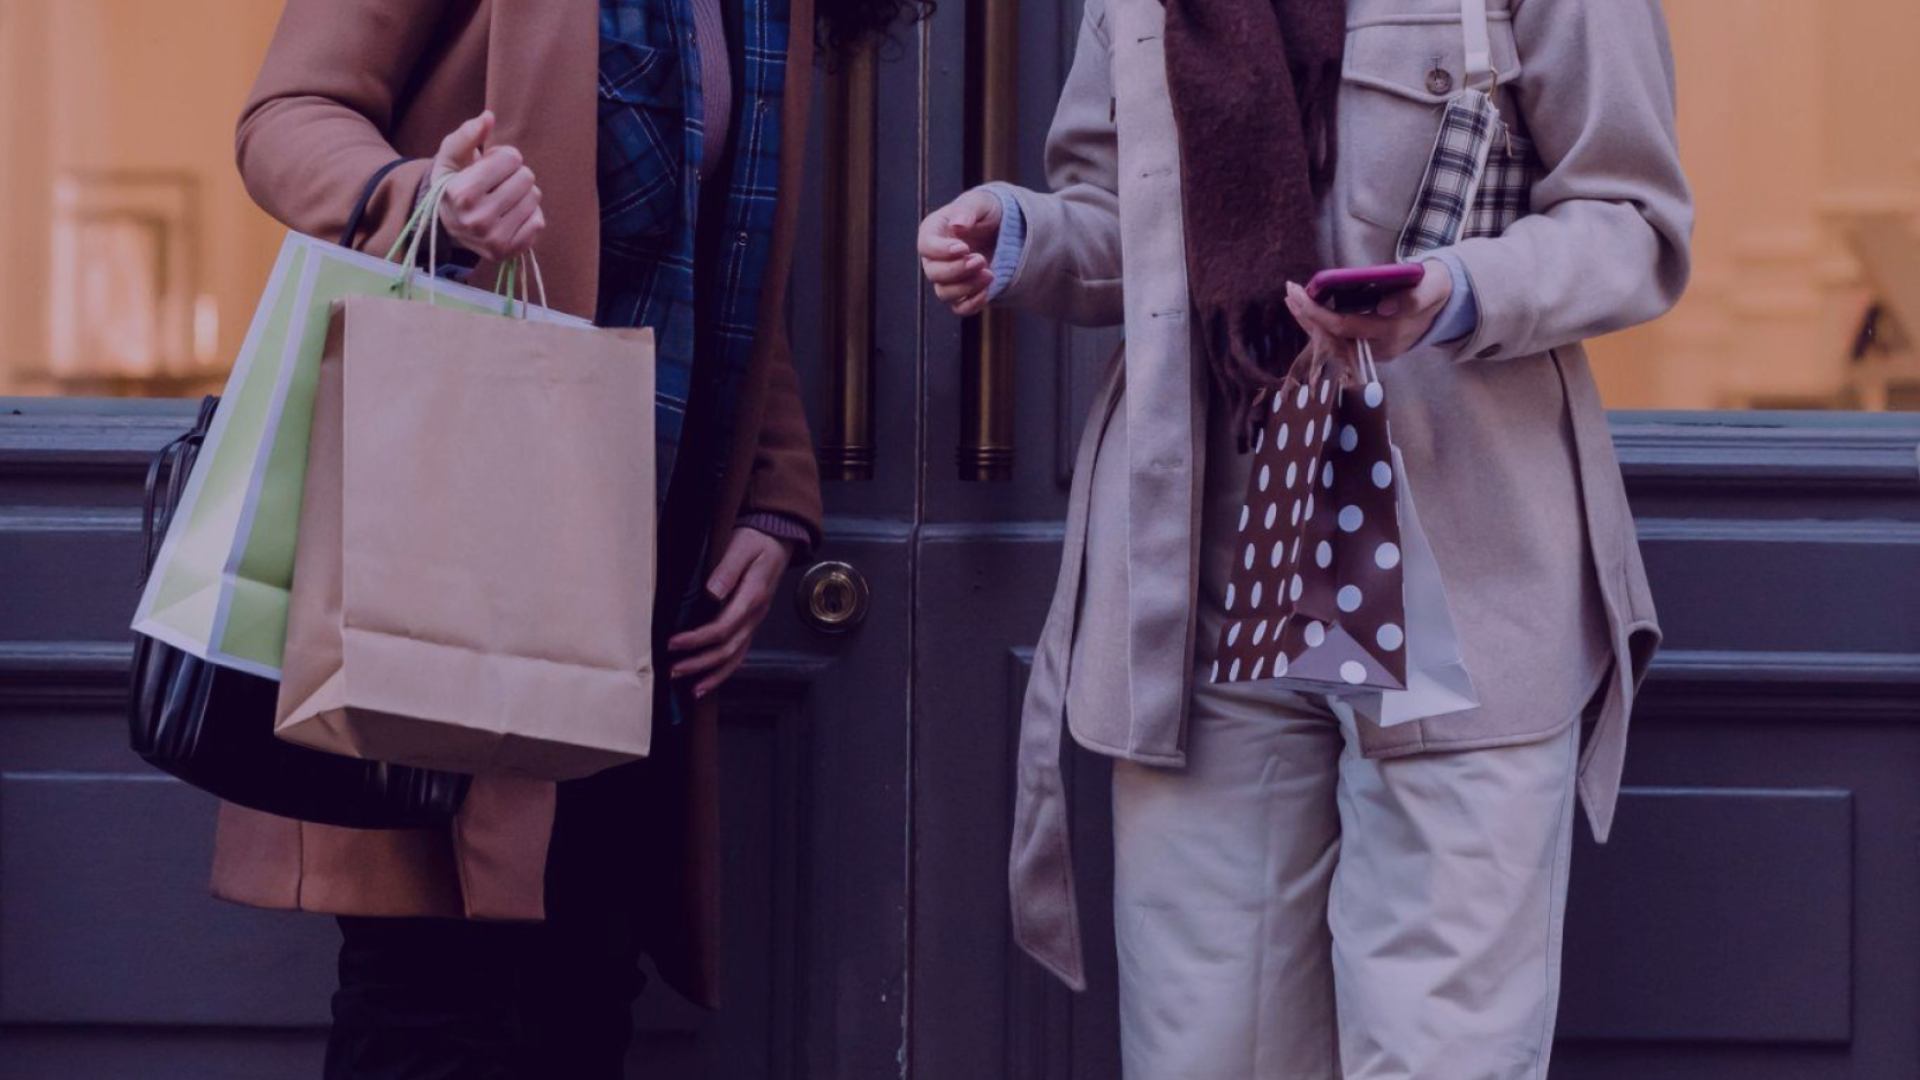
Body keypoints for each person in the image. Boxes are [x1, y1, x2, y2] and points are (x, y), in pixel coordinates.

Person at [920, 0, 1692, 1076]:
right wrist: (1024, 236)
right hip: (1211, 580)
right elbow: (1125, 224)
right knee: (1209, 1052)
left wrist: (1458, 291)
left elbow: (1632, 220)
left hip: (1458, 580)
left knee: (1440, 1053)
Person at [212, 0, 920, 1076]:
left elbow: (724, 252)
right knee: (435, 1001)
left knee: (583, 991)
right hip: (451, 534)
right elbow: (285, 115)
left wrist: (775, 498)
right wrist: (423, 198)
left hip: (639, 577)